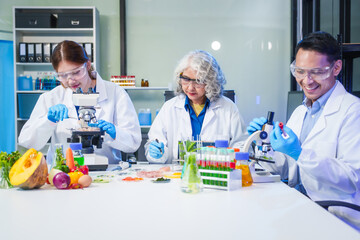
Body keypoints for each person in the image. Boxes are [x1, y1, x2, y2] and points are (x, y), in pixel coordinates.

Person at [247, 32, 360, 230]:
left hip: (336, 217)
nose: (307, 81)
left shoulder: (353, 112)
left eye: (316, 72)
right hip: (299, 208)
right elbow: (286, 168)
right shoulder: (301, 112)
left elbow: (352, 179)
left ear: (336, 68)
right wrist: (263, 144)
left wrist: (300, 153)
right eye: (300, 71)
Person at [18, 40, 141, 164]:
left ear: (87, 65)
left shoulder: (116, 93)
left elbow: (133, 143)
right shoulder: (51, 98)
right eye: (63, 75)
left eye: (76, 72)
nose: (71, 81)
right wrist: (47, 121)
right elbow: (27, 142)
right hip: (63, 173)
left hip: (108, 172)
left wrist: (114, 133)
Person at [146, 50, 247, 163]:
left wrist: (229, 156)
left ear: (211, 82)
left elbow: (241, 145)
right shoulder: (169, 108)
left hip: (214, 176)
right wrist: (157, 154)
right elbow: (154, 143)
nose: (190, 88)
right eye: (186, 79)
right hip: (177, 176)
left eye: (198, 81)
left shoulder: (228, 108)